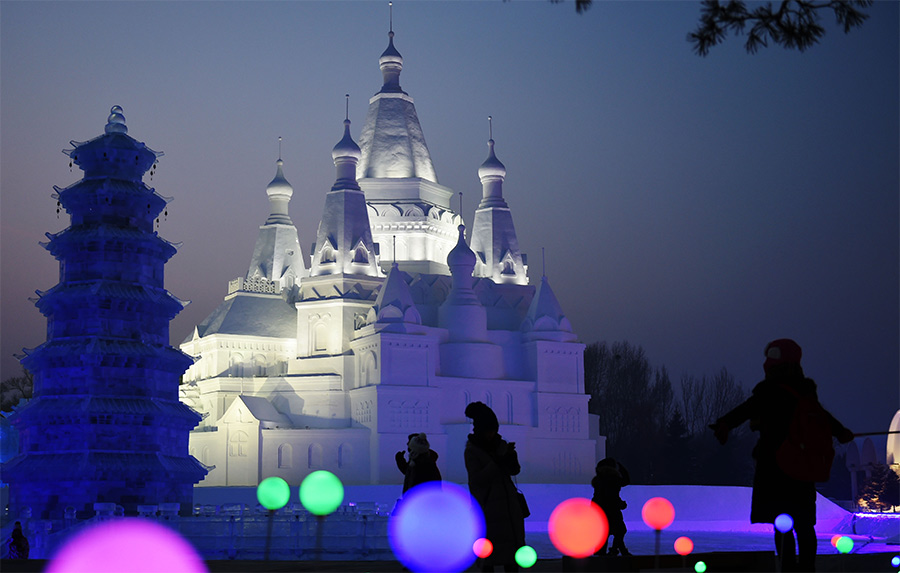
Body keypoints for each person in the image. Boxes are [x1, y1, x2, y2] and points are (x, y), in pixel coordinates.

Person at [710, 339, 854, 572]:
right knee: (805, 524)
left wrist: (724, 423)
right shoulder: (805, 392)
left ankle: (787, 568)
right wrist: (841, 432)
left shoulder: (768, 391)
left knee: (782, 523)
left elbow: (747, 409)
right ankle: (807, 568)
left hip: (775, 466)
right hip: (801, 467)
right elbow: (822, 416)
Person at [464, 401, 525, 572]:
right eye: (488, 431)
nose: (492, 434)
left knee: (511, 559)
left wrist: (510, 457)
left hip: (508, 509)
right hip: (488, 509)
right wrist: (498, 460)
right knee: (489, 560)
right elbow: (477, 480)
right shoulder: (472, 451)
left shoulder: (500, 446)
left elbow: (514, 470)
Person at [591, 457, 631, 556]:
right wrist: (620, 504)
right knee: (619, 530)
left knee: (607, 532)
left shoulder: (600, 479)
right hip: (612, 510)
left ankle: (605, 552)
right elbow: (612, 494)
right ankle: (615, 551)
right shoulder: (613, 479)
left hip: (600, 510)